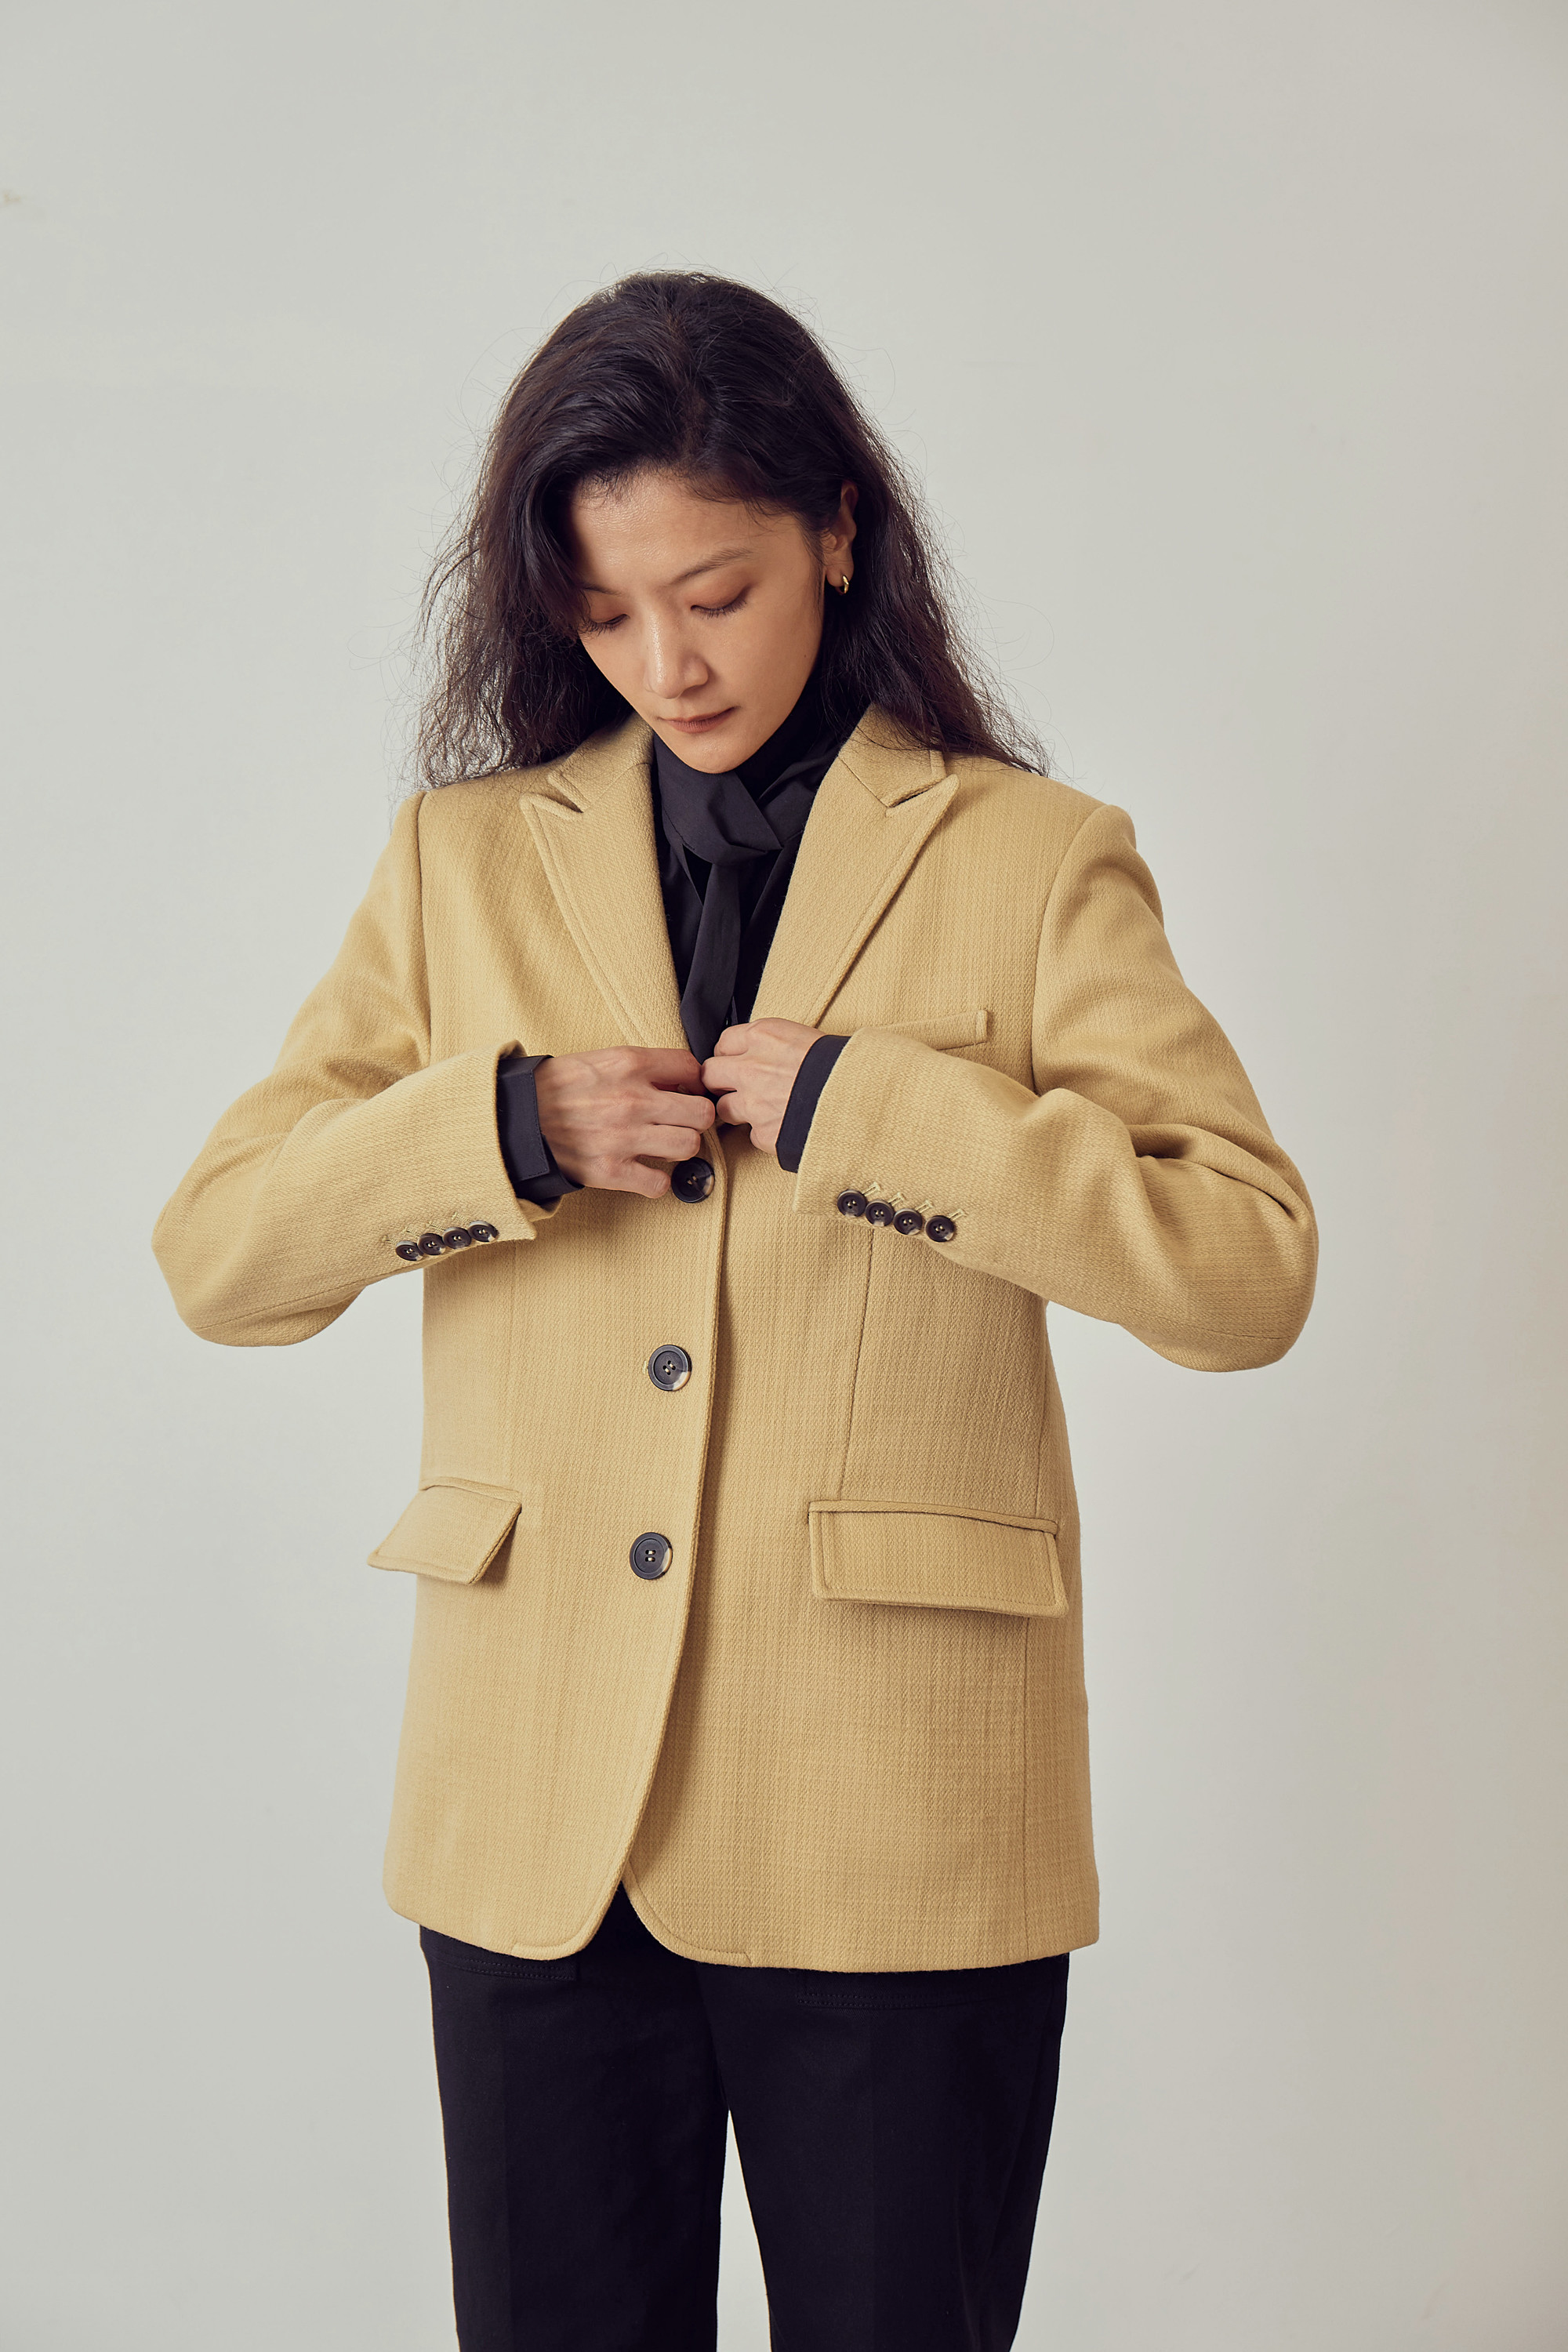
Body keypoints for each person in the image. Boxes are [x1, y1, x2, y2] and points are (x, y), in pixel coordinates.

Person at [153, 270, 1317, 2352]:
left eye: (715, 593)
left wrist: (897, 1120)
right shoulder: (456, 864)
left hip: (895, 1816)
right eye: (606, 614)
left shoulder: (1035, 859)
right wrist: (501, 1128)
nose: (668, 664)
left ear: (839, 532)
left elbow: (1245, 1270)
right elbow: (219, 1255)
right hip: (534, 1822)